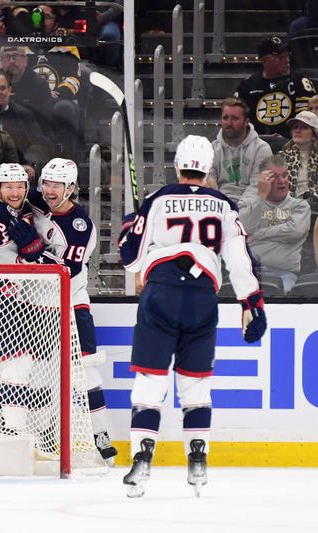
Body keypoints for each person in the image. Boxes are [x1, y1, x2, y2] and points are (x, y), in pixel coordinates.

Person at [118, 135, 267, 498]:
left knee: (150, 381)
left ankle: (142, 458)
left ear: (177, 165)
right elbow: (239, 260)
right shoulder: (223, 204)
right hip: (202, 297)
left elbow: (131, 259)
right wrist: (252, 303)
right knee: (196, 383)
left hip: (161, 293)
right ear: (209, 168)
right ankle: (198, 458)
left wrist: (129, 229)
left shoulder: (157, 200)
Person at [0, 163, 60, 442]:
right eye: (8, 187)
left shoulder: (20, 210)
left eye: (19, 187)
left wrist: (33, 252)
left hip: (0, 291)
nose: (14, 192)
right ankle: (15, 427)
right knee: (19, 359)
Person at [27, 158, 117, 463]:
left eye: (57, 185)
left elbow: (65, 270)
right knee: (39, 371)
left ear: (71, 189)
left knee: (87, 367)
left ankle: (101, 435)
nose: (50, 190)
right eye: (47, 183)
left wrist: (33, 253)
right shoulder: (35, 200)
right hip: (37, 302)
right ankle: (44, 433)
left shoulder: (81, 227)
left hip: (72, 299)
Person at [239, 155, 311, 294]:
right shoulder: (251, 203)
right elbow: (242, 228)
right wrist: (261, 197)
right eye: (274, 177)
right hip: (250, 272)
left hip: (284, 274)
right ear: (262, 180)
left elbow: (294, 231)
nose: (281, 181)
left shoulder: (300, 206)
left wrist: (258, 234)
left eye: (284, 175)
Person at [235, 36, 317, 137]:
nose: (286, 60)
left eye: (287, 55)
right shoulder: (247, 86)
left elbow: (308, 118)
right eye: (280, 57)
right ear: (264, 60)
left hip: (293, 141)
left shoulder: (300, 81)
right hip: (255, 144)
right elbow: (237, 119)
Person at [0, 69, 54, 180]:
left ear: (9, 90)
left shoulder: (23, 115)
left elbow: (39, 145)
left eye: (2, 88)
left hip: (16, 177)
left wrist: (29, 164)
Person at [207, 96, 273, 206]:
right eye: (225, 118)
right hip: (219, 206)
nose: (229, 123)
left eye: (235, 118)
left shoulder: (262, 149)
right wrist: (219, 207)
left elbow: (258, 188)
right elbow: (208, 183)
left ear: (246, 121)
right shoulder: (212, 149)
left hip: (251, 206)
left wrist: (238, 210)